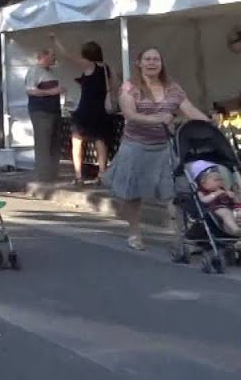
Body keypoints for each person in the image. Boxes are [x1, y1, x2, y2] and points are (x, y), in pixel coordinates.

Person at [105, 47, 210, 250]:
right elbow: (130, 114)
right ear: (139, 63)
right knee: (133, 193)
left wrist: (208, 123)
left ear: (161, 63)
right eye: (147, 59)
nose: (152, 63)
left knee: (174, 192)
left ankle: (179, 236)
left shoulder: (173, 88)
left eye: (156, 59)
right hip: (136, 147)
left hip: (164, 147)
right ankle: (134, 232)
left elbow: (189, 109)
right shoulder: (130, 87)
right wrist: (157, 119)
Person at [51, 35, 116, 185]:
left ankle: (79, 176)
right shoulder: (106, 68)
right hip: (101, 109)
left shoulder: (88, 65)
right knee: (100, 141)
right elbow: (113, 87)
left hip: (86, 108)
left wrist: (56, 41)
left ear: (86, 54)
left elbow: (67, 56)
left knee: (77, 141)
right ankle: (102, 173)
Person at [25, 48, 65, 181]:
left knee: (55, 142)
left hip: (54, 110)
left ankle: (53, 173)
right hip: (41, 111)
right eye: (52, 55)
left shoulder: (51, 71)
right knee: (43, 142)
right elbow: (31, 90)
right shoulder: (34, 71)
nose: (54, 58)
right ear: (43, 56)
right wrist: (52, 92)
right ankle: (43, 175)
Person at [194, 164, 241, 236]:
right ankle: (235, 229)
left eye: (221, 180)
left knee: (237, 213)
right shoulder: (202, 191)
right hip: (217, 208)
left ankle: (238, 237)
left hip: (231, 209)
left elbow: (235, 200)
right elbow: (204, 200)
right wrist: (215, 194)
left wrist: (231, 194)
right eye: (216, 180)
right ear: (204, 183)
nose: (220, 182)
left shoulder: (223, 189)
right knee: (226, 213)